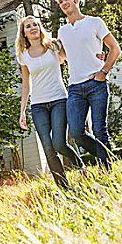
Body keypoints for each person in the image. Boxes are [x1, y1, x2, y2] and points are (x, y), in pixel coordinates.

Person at [16, 15, 85, 189]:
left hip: (59, 100)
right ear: (23, 33)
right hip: (38, 105)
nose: (32, 28)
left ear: (40, 27)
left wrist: (95, 57)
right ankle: (64, 187)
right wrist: (22, 111)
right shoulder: (23, 56)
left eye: (35, 25)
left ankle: (80, 166)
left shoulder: (54, 46)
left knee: (59, 144)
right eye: (28, 26)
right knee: (47, 147)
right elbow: (26, 85)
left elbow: (74, 58)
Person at [56, 0, 121, 169]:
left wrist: (104, 70)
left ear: (76, 1)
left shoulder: (94, 22)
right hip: (75, 88)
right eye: (61, 2)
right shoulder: (63, 31)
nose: (64, 3)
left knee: (100, 129)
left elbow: (114, 48)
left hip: (96, 83)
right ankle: (108, 157)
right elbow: (66, 57)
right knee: (77, 132)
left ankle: (107, 170)